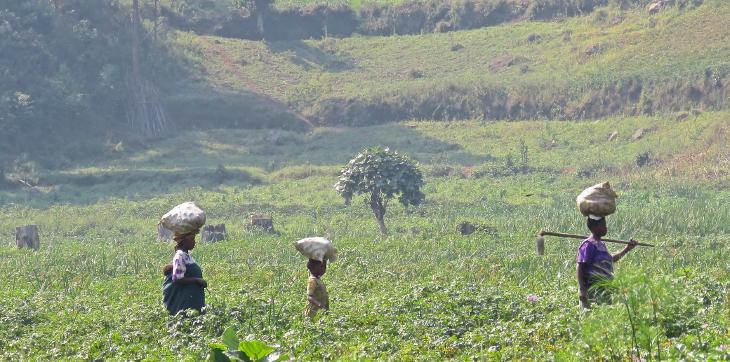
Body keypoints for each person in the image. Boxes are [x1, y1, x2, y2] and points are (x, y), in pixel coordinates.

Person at [577, 216, 638, 309]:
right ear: (594, 227)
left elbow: (611, 259)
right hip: (592, 289)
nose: (606, 227)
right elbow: (580, 266)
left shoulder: (601, 244)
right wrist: (582, 290)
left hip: (605, 290)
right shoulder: (588, 244)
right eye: (603, 225)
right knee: (592, 318)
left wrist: (627, 249)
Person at [162, 230, 207, 315]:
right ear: (185, 241)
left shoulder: (186, 256)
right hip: (185, 301)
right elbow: (177, 278)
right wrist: (197, 280)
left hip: (191, 299)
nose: (195, 242)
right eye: (192, 239)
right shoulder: (180, 255)